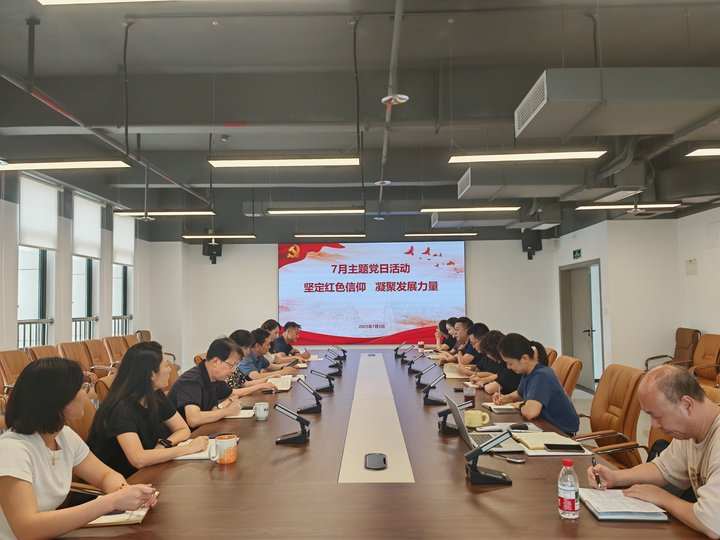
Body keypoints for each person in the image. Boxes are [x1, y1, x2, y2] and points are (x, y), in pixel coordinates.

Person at [0, 358, 157, 539]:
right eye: (80, 388)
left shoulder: (64, 436)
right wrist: (112, 502)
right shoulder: (11, 450)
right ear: (59, 400)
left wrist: (125, 492)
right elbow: (27, 529)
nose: (85, 394)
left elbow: (105, 475)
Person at [587, 365, 720, 539]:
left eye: (657, 416)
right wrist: (615, 477)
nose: (654, 425)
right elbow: (663, 469)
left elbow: (712, 523)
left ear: (687, 405)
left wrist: (662, 498)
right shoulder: (690, 431)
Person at [88, 342, 209, 478]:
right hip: (119, 482)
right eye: (166, 365)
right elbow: (138, 459)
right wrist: (187, 448)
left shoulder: (154, 394)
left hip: (144, 473)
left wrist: (163, 444)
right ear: (151, 374)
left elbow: (183, 429)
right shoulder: (121, 408)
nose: (170, 369)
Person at [492, 333, 579, 435]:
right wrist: (505, 398)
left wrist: (522, 405)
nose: (508, 367)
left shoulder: (541, 376)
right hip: (545, 425)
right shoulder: (528, 372)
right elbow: (519, 394)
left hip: (559, 432)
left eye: (510, 363)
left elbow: (530, 413)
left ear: (524, 358)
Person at [167, 338, 247, 429]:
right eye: (232, 365)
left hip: (202, 430)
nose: (233, 370)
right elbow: (193, 419)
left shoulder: (215, 378)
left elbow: (232, 394)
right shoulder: (191, 380)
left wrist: (222, 405)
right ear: (215, 362)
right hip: (181, 435)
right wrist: (227, 411)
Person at [472, 330, 521, 395]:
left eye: (488, 353)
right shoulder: (502, 362)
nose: (487, 356)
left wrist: (483, 383)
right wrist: (484, 380)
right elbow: (499, 375)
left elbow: (490, 389)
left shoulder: (511, 366)